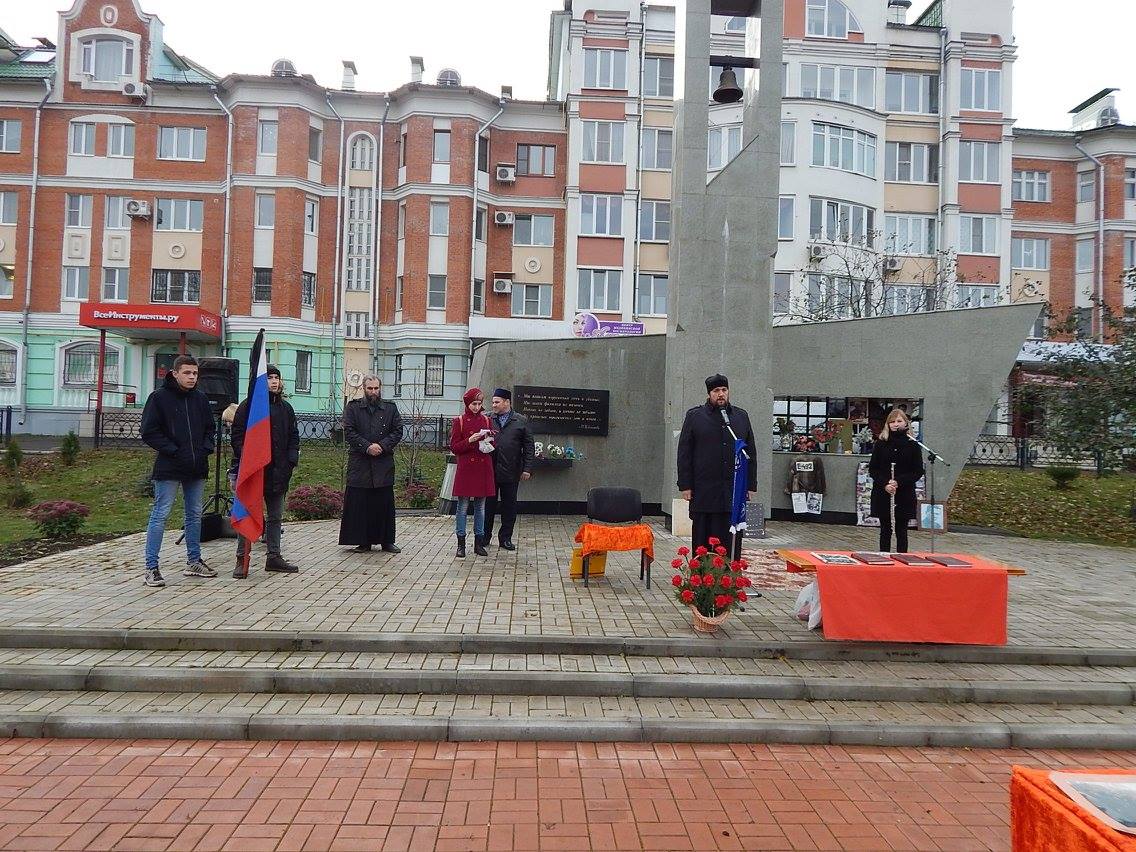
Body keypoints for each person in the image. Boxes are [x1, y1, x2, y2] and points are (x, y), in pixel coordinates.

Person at [139, 354, 216, 588]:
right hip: (169, 466)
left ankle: (194, 561)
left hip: (196, 466)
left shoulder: (200, 399)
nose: (192, 377)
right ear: (175, 374)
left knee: (194, 514)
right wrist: (173, 450)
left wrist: (205, 449)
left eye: (195, 373)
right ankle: (151, 567)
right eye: (187, 373)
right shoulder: (159, 398)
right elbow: (149, 431)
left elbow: (210, 428)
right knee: (160, 514)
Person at [676, 374, 757, 561]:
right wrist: (685, 485)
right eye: (716, 391)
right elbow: (684, 453)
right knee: (703, 539)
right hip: (704, 490)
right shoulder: (695, 416)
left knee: (730, 540)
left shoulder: (741, 416)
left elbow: (750, 452)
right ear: (709, 394)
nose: (721, 394)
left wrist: (750, 485)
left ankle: (729, 574)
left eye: (724, 390)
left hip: (732, 491)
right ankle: (702, 575)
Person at [230, 365, 300, 576]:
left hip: (278, 471)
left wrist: (291, 461)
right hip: (254, 471)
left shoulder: (286, 408)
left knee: (275, 517)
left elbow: (293, 437)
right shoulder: (248, 407)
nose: (274, 381)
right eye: (269, 377)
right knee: (247, 513)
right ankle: (242, 558)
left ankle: (274, 556)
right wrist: (250, 458)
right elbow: (238, 437)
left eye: (277, 377)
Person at [339, 375, 404, 553]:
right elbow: (349, 431)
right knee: (361, 503)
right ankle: (363, 541)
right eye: (370, 388)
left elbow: (398, 430)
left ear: (380, 388)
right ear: (364, 388)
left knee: (383, 504)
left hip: (383, 462)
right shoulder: (353, 408)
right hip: (360, 462)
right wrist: (367, 447)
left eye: (376, 388)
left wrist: (382, 446)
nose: (373, 392)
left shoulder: (390, 408)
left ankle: (386, 540)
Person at [868, 407, 925, 553]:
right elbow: (873, 469)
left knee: (902, 531)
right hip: (883, 492)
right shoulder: (881, 443)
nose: (895, 424)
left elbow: (917, 471)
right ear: (888, 424)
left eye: (899, 421)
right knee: (885, 530)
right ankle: (884, 558)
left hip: (904, 493)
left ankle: (902, 559)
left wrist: (899, 481)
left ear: (906, 423)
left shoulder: (912, 445)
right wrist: (885, 484)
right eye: (892, 422)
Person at [485, 388, 534, 551]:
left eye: (497, 402)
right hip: (490, 470)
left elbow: (529, 446)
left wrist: (527, 468)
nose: (493, 405)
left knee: (509, 507)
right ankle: (484, 537)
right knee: (488, 506)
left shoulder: (520, 420)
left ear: (507, 402)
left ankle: (505, 538)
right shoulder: (488, 418)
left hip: (511, 471)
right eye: (493, 402)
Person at [450, 388, 496, 557]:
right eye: (473, 404)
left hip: (482, 467)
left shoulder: (487, 420)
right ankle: (461, 544)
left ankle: (479, 543)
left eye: (479, 403)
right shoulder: (459, 421)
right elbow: (454, 447)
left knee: (481, 508)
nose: (476, 407)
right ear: (467, 404)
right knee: (462, 507)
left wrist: (488, 441)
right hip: (466, 469)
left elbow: (493, 444)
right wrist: (469, 440)